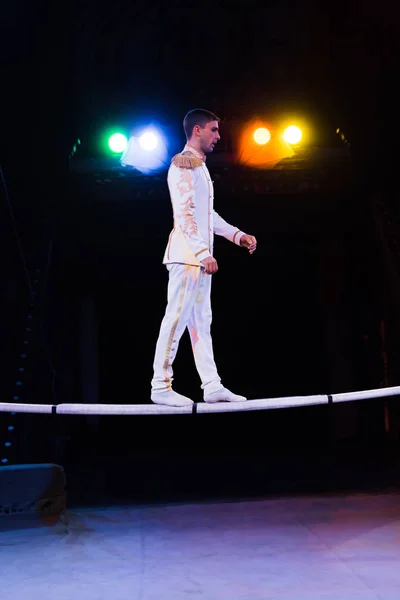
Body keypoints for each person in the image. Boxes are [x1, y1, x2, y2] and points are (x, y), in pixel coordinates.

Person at [151, 109, 257, 407]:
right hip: (187, 257)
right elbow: (184, 215)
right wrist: (202, 253)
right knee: (176, 318)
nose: (218, 136)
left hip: (196, 258)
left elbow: (205, 215)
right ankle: (160, 384)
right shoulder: (184, 165)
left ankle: (211, 384)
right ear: (197, 130)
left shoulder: (199, 167)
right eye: (213, 130)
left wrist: (237, 235)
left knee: (201, 323)